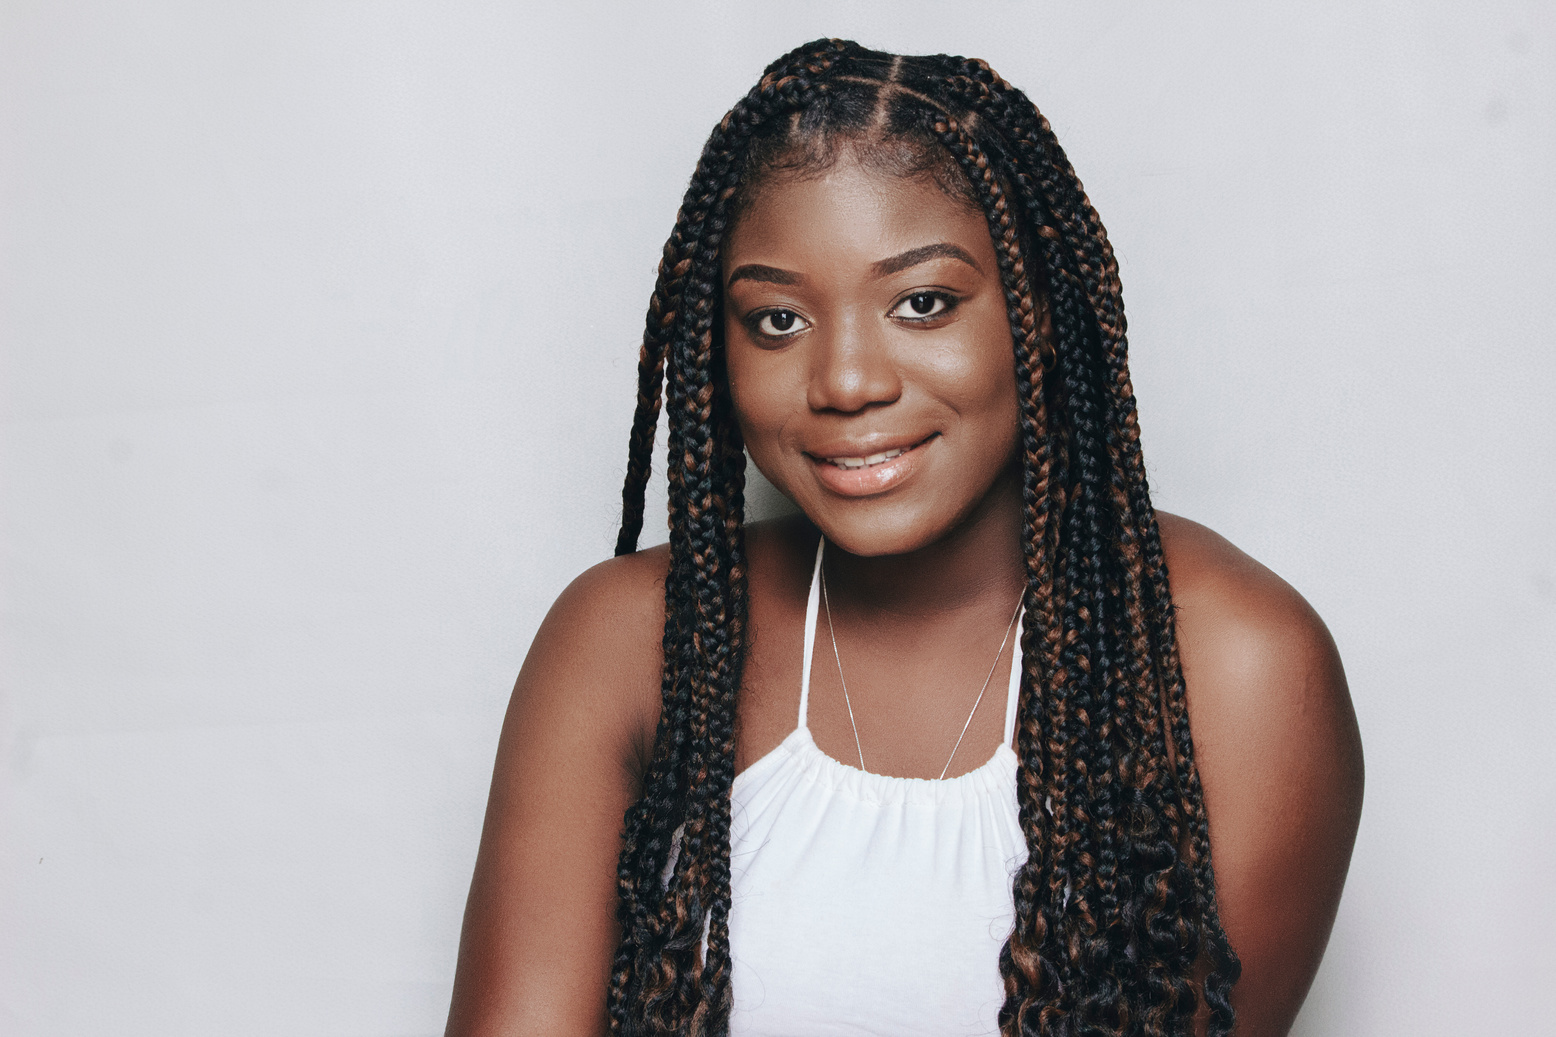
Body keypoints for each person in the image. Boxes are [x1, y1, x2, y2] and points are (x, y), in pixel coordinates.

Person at [444, 40, 1364, 1037]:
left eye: (922, 304)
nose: (847, 381)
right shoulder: (626, 641)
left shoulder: (1234, 664)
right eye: (777, 319)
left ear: (1036, 309)